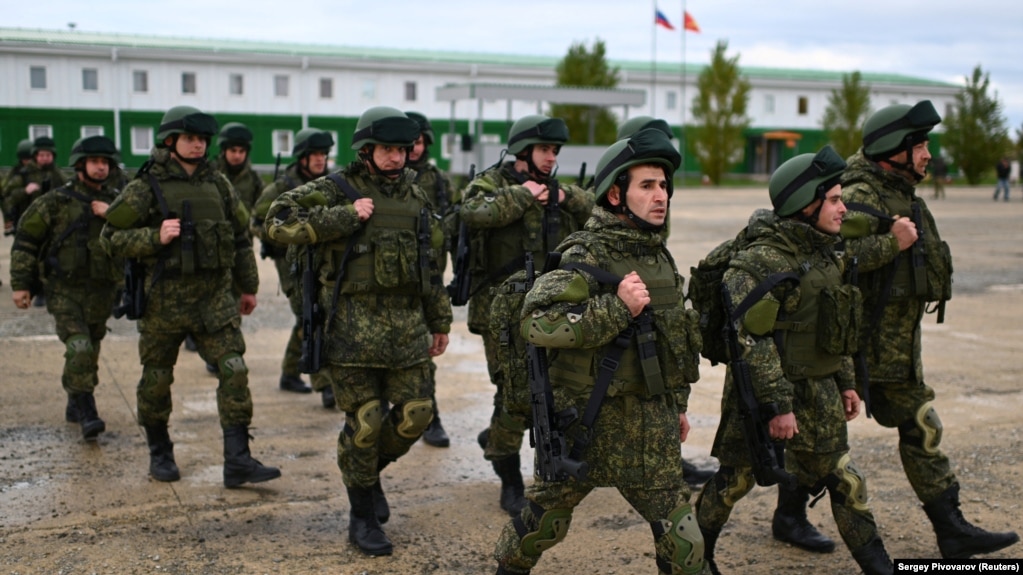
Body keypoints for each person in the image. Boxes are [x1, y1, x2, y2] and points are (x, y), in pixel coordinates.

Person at [493, 128, 704, 575]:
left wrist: (676, 405)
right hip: (586, 424)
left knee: (685, 545)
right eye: (646, 185)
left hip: (651, 426)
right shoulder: (585, 252)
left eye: (663, 185)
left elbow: (671, 343)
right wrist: (616, 308)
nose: (660, 195)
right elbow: (536, 323)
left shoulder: (658, 257)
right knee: (539, 528)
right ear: (614, 195)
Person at [695, 146, 894, 575]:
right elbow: (752, 340)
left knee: (845, 479)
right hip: (763, 395)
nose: (844, 208)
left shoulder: (826, 252)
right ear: (807, 204)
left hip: (819, 390)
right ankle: (693, 558)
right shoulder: (760, 260)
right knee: (735, 481)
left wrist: (845, 381)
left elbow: (835, 327)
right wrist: (780, 405)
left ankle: (879, 566)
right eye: (836, 199)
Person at [264, 106, 452, 556]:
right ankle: (361, 514)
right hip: (349, 334)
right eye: (387, 149)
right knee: (366, 423)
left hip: (406, 332)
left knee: (416, 416)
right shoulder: (337, 189)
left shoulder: (417, 197)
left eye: (402, 150)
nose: (396, 157)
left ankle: (366, 476)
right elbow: (277, 219)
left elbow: (429, 264)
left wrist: (440, 319)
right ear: (366, 150)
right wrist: (343, 217)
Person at [839, 101, 1019, 559]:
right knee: (818, 444)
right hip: (848, 350)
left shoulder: (901, 193)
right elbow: (829, 264)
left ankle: (951, 529)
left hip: (897, 354)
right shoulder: (857, 194)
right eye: (918, 145)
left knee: (921, 427)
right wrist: (889, 243)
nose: (927, 154)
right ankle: (789, 513)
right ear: (890, 150)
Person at [101, 105, 280, 488]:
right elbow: (110, 239)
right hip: (164, 301)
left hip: (214, 299)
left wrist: (248, 287)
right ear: (170, 141)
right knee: (157, 379)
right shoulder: (145, 187)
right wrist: (154, 237)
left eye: (202, 140)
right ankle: (160, 451)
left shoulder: (218, 185)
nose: (198, 146)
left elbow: (239, 237)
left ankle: (238, 460)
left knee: (234, 370)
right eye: (190, 139)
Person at [460, 114, 594, 517]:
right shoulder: (492, 184)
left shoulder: (558, 191)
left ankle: (522, 453)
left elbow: (597, 211)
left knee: (555, 391)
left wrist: (566, 198)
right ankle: (509, 475)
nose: (552, 158)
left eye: (555, 151)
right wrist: (524, 195)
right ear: (523, 151)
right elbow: (473, 211)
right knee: (516, 395)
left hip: (549, 310)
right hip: (500, 311)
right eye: (545, 150)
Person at [616, 115, 718, 489]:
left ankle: (668, 460)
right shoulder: (614, 187)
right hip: (622, 285)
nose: (660, 191)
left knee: (664, 363)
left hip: (652, 276)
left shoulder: (657, 192)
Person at [9, 135, 123, 440]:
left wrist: (111, 215)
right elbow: (26, 241)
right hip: (64, 290)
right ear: (80, 165)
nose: (101, 168)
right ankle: (87, 410)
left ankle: (74, 398)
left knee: (91, 347)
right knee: (80, 346)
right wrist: (21, 285)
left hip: (102, 290)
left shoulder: (118, 202)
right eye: (94, 162)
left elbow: (136, 240)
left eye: (105, 162)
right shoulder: (55, 201)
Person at [252, 128, 335, 400]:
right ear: (302, 157)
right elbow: (257, 222)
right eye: (315, 154)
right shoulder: (282, 187)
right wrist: (287, 234)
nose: (320, 159)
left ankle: (289, 372)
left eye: (324, 154)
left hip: (321, 261)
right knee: (309, 314)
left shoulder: (331, 184)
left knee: (313, 315)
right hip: (290, 263)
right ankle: (323, 384)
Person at [405, 110, 456, 448]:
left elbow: (453, 228)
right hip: (390, 279)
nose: (413, 148)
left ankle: (430, 416)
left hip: (427, 278)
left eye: (418, 141)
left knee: (426, 349)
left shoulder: (438, 181)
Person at [3, 136, 67, 233]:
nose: (45, 158)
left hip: (54, 225)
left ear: (53, 156)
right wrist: (24, 191)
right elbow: (8, 197)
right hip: (28, 224)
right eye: (41, 155)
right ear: (35, 156)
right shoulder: (24, 174)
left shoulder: (58, 174)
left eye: (48, 155)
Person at [215, 122, 263, 213]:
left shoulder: (254, 180)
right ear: (223, 151)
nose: (237, 156)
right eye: (233, 150)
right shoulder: (211, 175)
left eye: (242, 151)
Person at [2, 138, 34, 235]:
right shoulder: (15, 173)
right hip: (19, 213)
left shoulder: (40, 170)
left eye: (30, 159)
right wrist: (7, 219)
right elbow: (5, 195)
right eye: (25, 159)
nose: (28, 162)